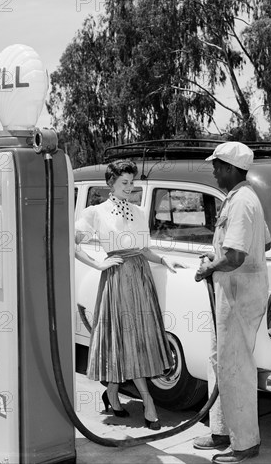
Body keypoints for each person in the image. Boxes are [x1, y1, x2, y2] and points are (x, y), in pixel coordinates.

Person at [74, 159, 185, 430]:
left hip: (141, 278)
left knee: (136, 342)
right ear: (110, 183)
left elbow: (144, 250)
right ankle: (148, 402)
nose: (129, 187)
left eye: (132, 182)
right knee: (124, 340)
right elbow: (72, 243)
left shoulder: (139, 210)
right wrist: (99, 264)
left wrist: (164, 260)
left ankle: (112, 392)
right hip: (117, 280)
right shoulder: (95, 212)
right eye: (124, 182)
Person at [193, 142, 271, 463]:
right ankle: (222, 430)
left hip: (239, 296)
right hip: (234, 292)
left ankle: (245, 444)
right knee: (219, 362)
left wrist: (210, 267)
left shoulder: (241, 202)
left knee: (236, 369)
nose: (213, 171)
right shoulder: (241, 198)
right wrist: (218, 255)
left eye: (216, 166)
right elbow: (261, 241)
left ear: (229, 168)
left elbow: (237, 255)